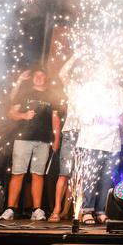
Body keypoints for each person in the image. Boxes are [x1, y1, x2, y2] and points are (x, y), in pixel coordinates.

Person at [0, 67, 61, 221]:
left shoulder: (51, 95)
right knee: (18, 173)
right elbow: (11, 113)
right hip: (23, 139)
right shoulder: (24, 93)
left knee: (38, 174)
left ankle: (37, 209)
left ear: (46, 78)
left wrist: (56, 139)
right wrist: (24, 115)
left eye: (42, 75)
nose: (39, 78)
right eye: (36, 75)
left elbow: (55, 119)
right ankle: (10, 209)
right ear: (33, 78)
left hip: (43, 141)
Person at [73, 67, 123, 224]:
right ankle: (87, 210)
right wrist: (96, 118)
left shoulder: (120, 90)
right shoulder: (89, 88)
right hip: (92, 140)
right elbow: (81, 111)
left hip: (113, 142)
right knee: (91, 177)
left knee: (107, 178)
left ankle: (101, 210)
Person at [49, 53, 81, 222]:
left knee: (78, 176)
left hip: (88, 135)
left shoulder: (96, 90)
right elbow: (63, 74)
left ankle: (67, 211)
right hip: (71, 132)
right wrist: (75, 56)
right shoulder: (74, 87)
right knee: (64, 174)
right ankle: (56, 209)